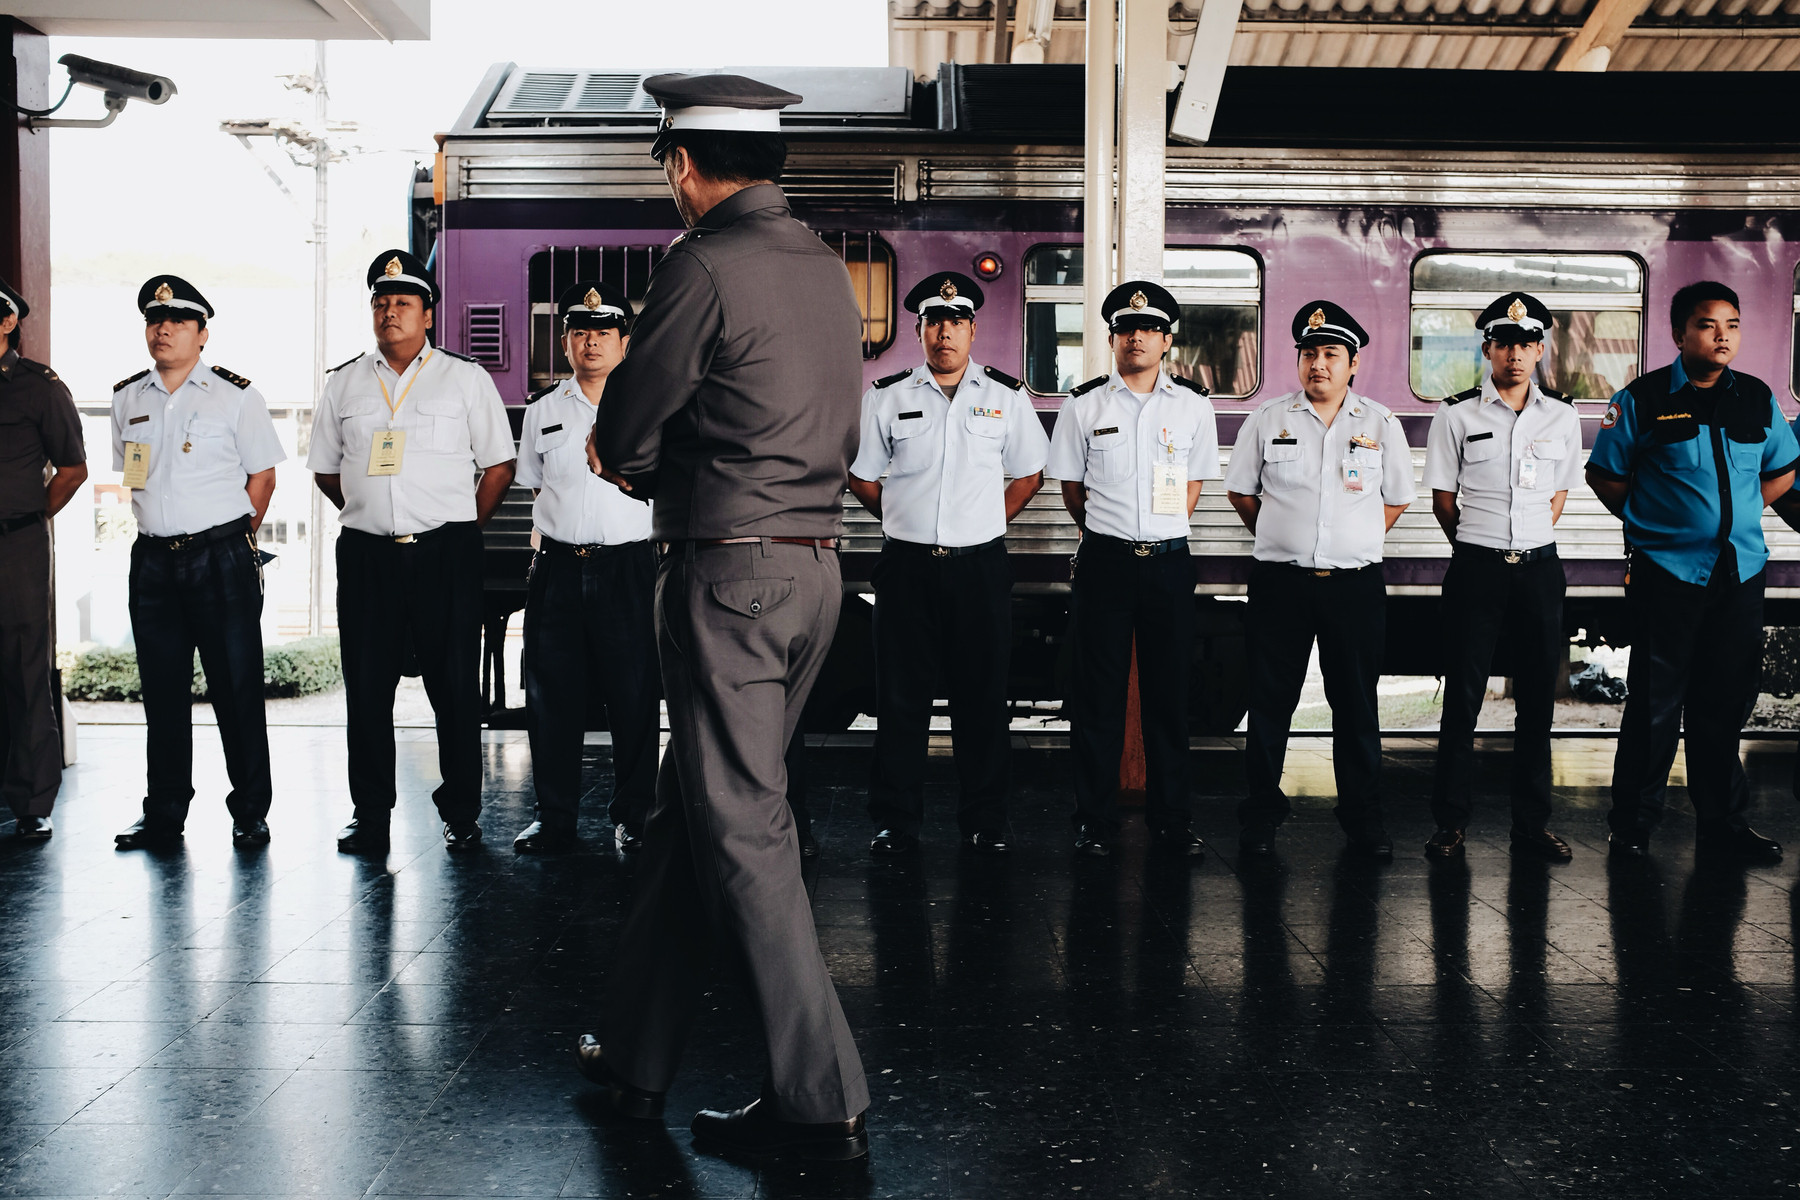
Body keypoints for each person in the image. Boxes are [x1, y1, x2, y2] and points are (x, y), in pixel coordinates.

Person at [573, 73, 869, 1161]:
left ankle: (820, 1098)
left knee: (742, 827)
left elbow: (628, 424)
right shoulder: (824, 267)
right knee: (687, 814)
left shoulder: (702, 263)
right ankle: (638, 1060)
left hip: (727, 578)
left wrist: (628, 459)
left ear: (684, 166)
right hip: (814, 575)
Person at [308, 249, 516, 856]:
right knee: (366, 689)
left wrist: (457, 528)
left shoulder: (465, 378)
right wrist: (373, 509)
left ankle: (461, 812)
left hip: (445, 554)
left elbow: (499, 466)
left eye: (402, 302)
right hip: (367, 556)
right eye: (380, 302)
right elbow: (325, 470)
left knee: (454, 690)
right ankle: (370, 815)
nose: (388, 312)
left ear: (429, 314)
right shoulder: (343, 382)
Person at [1590, 280, 1798, 864]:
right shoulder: (1642, 398)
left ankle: (1723, 825)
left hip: (1739, 574)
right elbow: (1606, 475)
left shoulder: (1756, 398)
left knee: (1723, 705)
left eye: (1731, 324)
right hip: (1668, 575)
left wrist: (1742, 512)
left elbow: (1783, 467)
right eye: (1708, 325)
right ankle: (1632, 826)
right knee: (1654, 706)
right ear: (1680, 333)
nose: (1722, 335)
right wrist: (1656, 526)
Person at [848, 269, 1047, 858]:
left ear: (973, 330)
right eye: (935, 320)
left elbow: (1030, 473)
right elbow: (861, 477)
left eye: (956, 321)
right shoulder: (887, 397)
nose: (945, 332)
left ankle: (985, 821)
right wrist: (902, 516)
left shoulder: (1006, 397)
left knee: (981, 700)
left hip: (979, 567)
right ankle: (895, 823)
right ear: (919, 328)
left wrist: (987, 520)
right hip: (906, 567)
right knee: (900, 701)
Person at [1224, 300, 1414, 860]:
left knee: (1356, 706)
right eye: (1309, 353)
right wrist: (1288, 537)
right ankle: (1261, 816)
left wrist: (1348, 540)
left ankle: (1363, 820)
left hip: (1353, 586)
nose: (1318, 364)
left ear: (1353, 363)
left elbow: (1397, 499)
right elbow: (1241, 492)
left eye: (1331, 354)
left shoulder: (1381, 424)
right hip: (1280, 584)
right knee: (1269, 702)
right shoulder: (1268, 419)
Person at [1045, 279, 1219, 860]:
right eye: (1125, 329)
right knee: (1097, 698)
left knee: (1171, 698)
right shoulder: (1084, 403)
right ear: (1113, 337)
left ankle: (1172, 820)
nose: (1135, 337)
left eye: (1147, 329)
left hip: (1169, 564)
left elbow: (1192, 486)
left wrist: (1154, 536)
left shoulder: (1194, 405)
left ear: (1167, 339)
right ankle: (1092, 821)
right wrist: (1114, 535)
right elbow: (1074, 490)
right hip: (1106, 564)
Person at [110, 276, 284, 850]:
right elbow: (132, 477)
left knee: (236, 688)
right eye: (156, 321)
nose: (164, 330)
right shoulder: (128, 397)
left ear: (202, 333)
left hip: (219, 556)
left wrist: (236, 538)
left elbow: (263, 476)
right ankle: (163, 812)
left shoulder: (235, 396)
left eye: (179, 321)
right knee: (161, 693)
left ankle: (250, 810)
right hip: (153, 560)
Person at [1421, 292, 1582, 862]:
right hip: (1476, 569)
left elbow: (1559, 494)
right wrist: (1481, 546)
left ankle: (1532, 826)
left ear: (1540, 350)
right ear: (1487, 348)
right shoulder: (1457, 413)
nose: (1515, 352)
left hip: (1539, 570)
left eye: (1526, 343)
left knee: (1538, 702)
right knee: (1461, 702)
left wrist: (1525, 542)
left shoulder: (1562, 416)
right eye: (1504, 342)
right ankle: (1450, 824)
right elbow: (1444, 499)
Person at [512, 281, 659, 856]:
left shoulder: (651, 409)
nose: (590, 342)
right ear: (566, 342)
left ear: (625, 342)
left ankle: (635, 814)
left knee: (635, 695)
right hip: (558, 570)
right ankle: (554, 818)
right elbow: (535, 488)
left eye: (602, 332)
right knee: (551, 698)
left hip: (629, 567)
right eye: (579, 332)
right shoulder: (543, 411)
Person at [0, 277, 84, 840]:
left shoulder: (38, 387)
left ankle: (31, 802)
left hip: (15, 544)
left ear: (7, 322)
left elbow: (72, 469)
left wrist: (29, 516)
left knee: (24, 666)